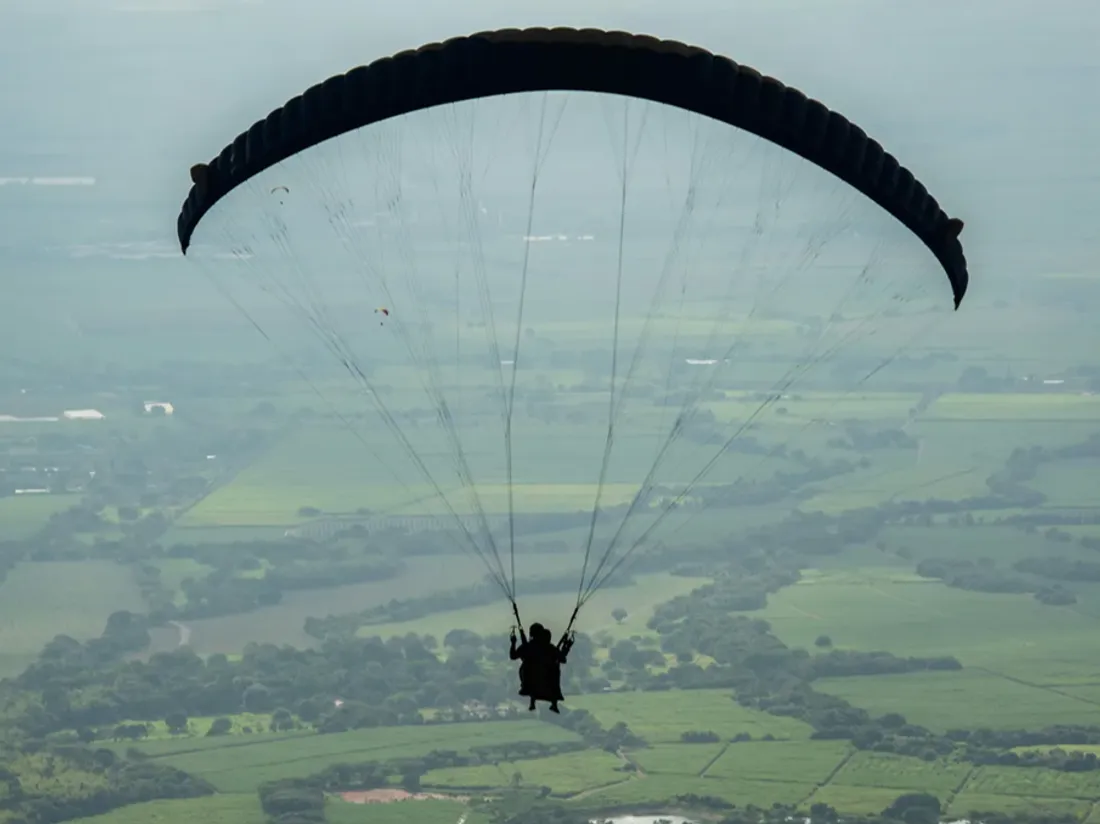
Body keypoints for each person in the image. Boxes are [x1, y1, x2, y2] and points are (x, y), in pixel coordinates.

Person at [510, 622, 574, 713]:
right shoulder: (550, 648)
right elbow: (562, 659)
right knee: (553, 668)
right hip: (549, 685)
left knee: (531, 670)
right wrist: (566, 647)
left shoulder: (527, 647)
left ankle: (533, 702)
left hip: (530, 684)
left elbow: (513, 656)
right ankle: (553, 703)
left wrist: (513, 642)